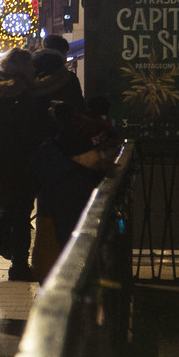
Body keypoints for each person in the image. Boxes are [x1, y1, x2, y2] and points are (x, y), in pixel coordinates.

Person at [0, 49, 53, 281]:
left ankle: (11, 260)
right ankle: (7, 258)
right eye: (30, 65)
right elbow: (26, 126)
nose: (34, 70)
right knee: (18, 210)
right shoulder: (19, 92)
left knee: (13, 209)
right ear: (21, 67)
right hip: (19, 157)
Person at [30, 111, 118, 278]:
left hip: (53, 265)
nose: (103, 156)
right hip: (61, 271)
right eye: (98, 151)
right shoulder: (70, 182)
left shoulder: (65, 172)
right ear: (80, 152)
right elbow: (68, 233)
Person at [37, 36, 87, 114]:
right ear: (62, 54)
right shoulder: (68, 77)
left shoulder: (30, 75)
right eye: (65, 54)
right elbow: (79, 107)